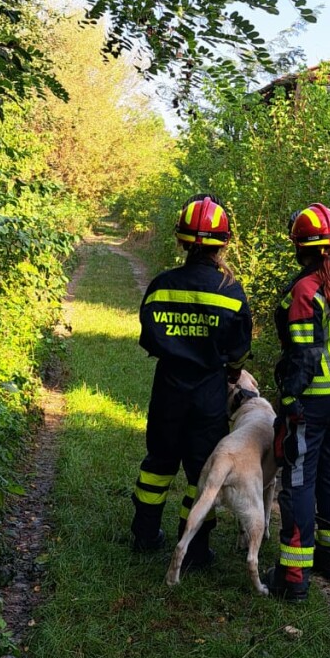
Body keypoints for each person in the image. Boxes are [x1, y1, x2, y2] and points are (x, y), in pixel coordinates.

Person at [130, 194, 252, 570]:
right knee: (202, 472)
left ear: (182, 241)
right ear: (224, 243)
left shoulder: (163, 285)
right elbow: (239, 351)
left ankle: (145, 535)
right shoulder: (231, 292)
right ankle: (196, 549)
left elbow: (149, 338)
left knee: (158, 464)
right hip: (209, 396)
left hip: (168, 389)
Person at [267, 204, 330, 602]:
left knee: (299, 480)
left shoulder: (305, 291)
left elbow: (303, 355)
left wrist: (289, 401)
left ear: (300, 247)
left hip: (314, 399)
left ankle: (293, 576)